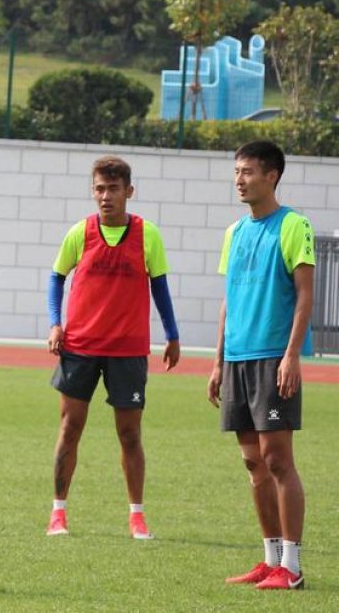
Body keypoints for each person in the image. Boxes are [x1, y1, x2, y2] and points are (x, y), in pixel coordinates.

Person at [45, 155, 180, 540]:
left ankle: (137, 516)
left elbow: (160, 288)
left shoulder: (147, 235)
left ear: (129, 191)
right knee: (70, 428)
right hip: (80, 346)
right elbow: (56, 277)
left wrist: (172, 335)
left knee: (130, 434)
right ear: (93, 191)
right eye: (100, 189)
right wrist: (55, 323)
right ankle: (58, 513)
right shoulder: (80, 233)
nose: (106, 196)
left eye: (114, 189)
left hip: (128, 349)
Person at [208, 141, 313, 590]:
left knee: (277, 460)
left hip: (273, 357)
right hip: (237, 359)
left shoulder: (293, 225)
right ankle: (270, 559)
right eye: (236, 171)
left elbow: (305, 295)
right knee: (253, 463)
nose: (239, 179)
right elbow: (229, 300)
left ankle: (292, 566)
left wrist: (292, 355)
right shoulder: (234, 232)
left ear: (272, 176)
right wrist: (217, 362)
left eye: (248, 171)